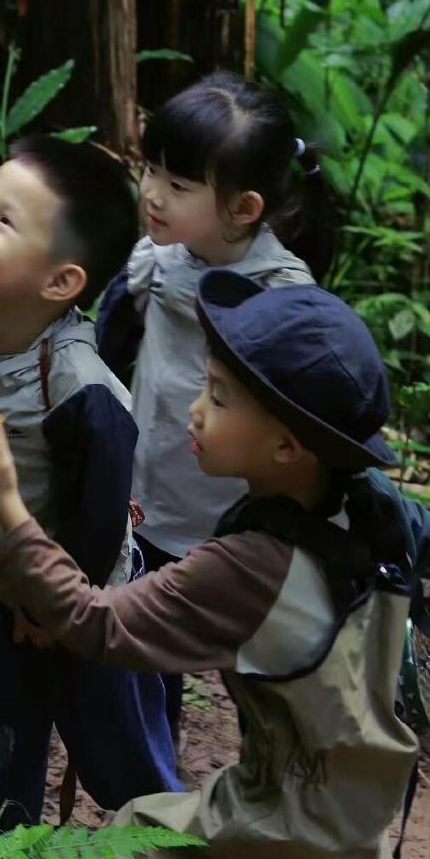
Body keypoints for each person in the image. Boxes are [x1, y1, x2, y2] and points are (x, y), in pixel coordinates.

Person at [0, 269, 430, 859]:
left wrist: (9, 509)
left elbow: (96, 622)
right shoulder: (372, 506)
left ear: (287, 447)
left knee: (130, 845)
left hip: (284, 806)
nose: (195, 410)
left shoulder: (247, 567)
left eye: (219, 398)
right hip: (362, 789)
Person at [0, 136, 179, 830]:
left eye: (5, 221)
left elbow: (100, 511)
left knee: (117, 738)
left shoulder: (79, 388)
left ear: (60, 282)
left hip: (87, 606)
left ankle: (173, 845)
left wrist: (59, 605)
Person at [97, 71, 332, 739]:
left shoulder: (284, 297)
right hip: (150, 502)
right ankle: (153, 779)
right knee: (146, 660)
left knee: (262, 673)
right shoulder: (156, 260)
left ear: (244, 207)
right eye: (151, 170)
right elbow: (107, 353)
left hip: (243, 527)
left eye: (178, 185)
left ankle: (278, 781)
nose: (151, 193)